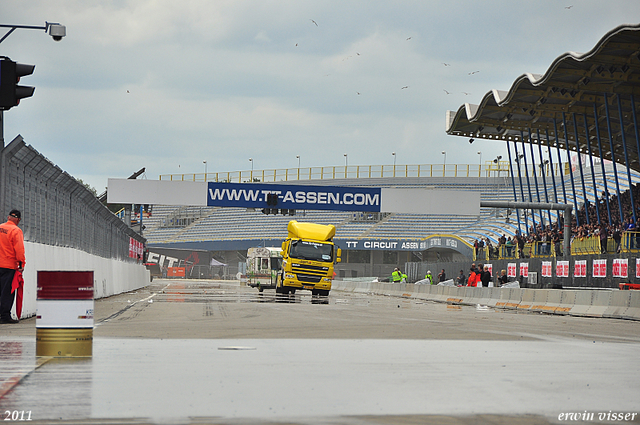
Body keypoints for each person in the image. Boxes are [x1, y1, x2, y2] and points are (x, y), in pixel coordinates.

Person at [0, 210, 25, 324]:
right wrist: (21, 264)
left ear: (8, 217)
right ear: (18, 219)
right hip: (8, 266)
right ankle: (5, 316)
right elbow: (19, 249)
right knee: (7, 291)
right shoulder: (16, 230)